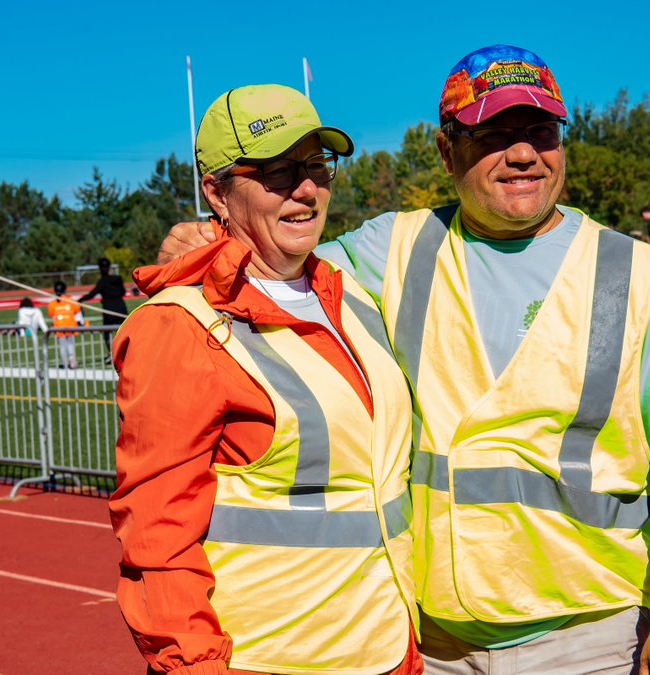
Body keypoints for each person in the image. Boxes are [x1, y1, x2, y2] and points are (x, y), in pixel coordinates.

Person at [160, 45, 650, 675]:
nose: (522, 154)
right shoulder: (392, 248)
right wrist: (206, 237)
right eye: (493, 135)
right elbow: (273, 260)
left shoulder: (636, 274)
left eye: (540, 132)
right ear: (445, 151)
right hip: (430, 643)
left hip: (589, 640)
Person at [109, 84, 422, 675]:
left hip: (385, 649)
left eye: (314, 166)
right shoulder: (178, 325)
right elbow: (156, 535)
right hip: (270, 658)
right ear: (216, 191)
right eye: (275, 172)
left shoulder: (349, 291)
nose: (304, 188)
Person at [77, 257, 129, 361]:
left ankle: (112, 354)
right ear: (109, 267)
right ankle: (126, 354)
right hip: (121, 308)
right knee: (123, 332)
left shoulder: (103, 281)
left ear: (100, 268)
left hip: (109, 310)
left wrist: (80, 300)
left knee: (107, 334)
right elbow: (123, 292)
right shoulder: (118, 278)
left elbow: (92, 294)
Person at [47, 281, 84, 369]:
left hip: (60, 326)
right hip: (70, 325)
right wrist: (80, 323)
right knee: (70, 344)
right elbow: (78, 313)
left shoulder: (53, 303)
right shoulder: (71, 300)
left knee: (63, 345)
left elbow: (52, 315)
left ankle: (65, 363)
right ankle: (71, 361)